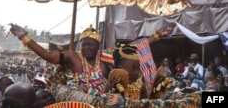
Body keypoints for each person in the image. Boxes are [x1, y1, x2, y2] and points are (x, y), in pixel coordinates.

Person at [9, 23, 173, 97]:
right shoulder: (72, 57)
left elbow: (132, 49)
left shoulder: (107, 56)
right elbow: (46, 55)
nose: (86, 48)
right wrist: (24, 37)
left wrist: (156, 36)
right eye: (84, 44)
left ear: (97, 46)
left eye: (90, 45)